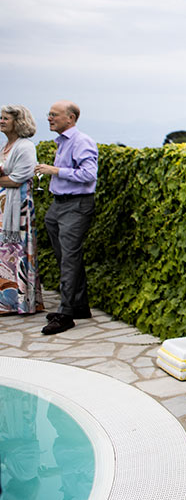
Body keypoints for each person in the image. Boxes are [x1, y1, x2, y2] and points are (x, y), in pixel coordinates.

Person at [34, 101, 99, 335]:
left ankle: (66, 314)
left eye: (54, 115)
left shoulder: (81, 142)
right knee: (66, 257)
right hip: (58, 206)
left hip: (76, 206)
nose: (49, 118)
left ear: (70, 118)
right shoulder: (63, 142)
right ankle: (79, 306)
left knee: (69, 259)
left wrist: (54, 171)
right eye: (49, 114)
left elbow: (89, 175)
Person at [0, 105, 41, 315]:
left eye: (5, 118)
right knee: (4, 255)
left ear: (18, 122)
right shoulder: (7, 145)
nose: (1, 121)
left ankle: (19, 302)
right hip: (4, 207)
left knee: (17, 254)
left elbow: (17, 180)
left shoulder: (25, 147)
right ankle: (5, 300)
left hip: (19, 209)